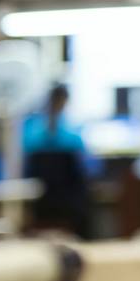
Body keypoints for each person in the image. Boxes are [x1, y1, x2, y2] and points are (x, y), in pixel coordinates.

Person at [22, 84, 93, 239]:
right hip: (70, 206)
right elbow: (86, 169)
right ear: (65, 102)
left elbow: (27, 171)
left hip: (40, 206)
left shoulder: (30, 132)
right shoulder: (73, 135)